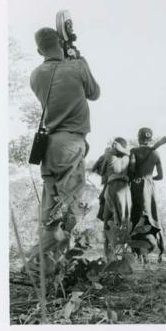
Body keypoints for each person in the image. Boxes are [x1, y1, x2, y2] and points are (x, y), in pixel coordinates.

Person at [28, 27, 100, 274]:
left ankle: (47, 269)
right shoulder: (77, 66)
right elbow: (94, 93)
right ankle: (35, 262)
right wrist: (78, 57)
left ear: (39, 50)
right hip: (71, 144)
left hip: (49, 146)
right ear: (61, 42)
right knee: (69, 210)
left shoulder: (36, 75)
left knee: (50, 208)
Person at [128, 128, 164, 264]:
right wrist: (149, 179)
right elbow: (160, 176)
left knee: (135, 216)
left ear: (139, 137)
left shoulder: (134, 151)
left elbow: (131, 169)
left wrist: (136, 177)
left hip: (136, 186)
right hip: (150, 188)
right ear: (150, 138)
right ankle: (154, 251)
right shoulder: (156, 153)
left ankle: (137, 253)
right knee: (152, 217)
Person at [101, 137, 132, 261]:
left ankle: (108, 252)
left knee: (107, 217)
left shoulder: (108, 154)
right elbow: (133, 171)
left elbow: (102, 171)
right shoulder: (128, 157)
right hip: (124, 190)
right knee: (125, 219)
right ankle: (124, 252)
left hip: (112, 187)